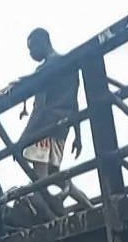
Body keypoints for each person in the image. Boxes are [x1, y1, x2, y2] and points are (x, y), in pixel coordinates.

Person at [17, 28, 82, 180]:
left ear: (43, 42)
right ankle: (87, 203)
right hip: (62, 130)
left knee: (40, 182)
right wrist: (78, 136)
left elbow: (40, 108)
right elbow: (74, 102)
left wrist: (23, 139)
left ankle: (40, 201)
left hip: (44, 130)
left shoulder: (43, 71)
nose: (31, 53)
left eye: (32, 47)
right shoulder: (68, 64)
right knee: (55, 176)